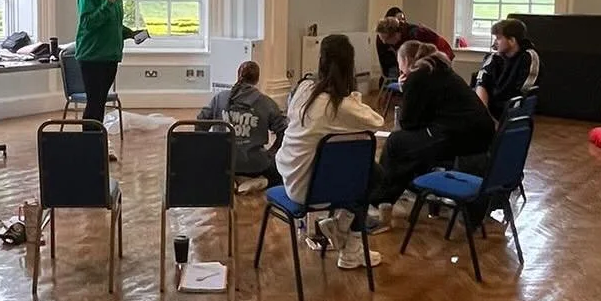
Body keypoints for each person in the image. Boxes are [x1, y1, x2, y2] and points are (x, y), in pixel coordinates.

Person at [277, 32, 385, 268]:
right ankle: (349, 240)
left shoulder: (304, 89)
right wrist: (353, 95)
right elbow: (376, 122)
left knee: (361, 170)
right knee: (373, 174)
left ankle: (342, 229)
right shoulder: (342, 106)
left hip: (292, 176)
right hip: (314, 190)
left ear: (321, 61)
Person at [372, 40, 494, 206]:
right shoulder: (441, 70)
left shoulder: (418, 76)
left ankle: (382, 197)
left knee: (396, 142)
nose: (400, 69)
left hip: (459, 138)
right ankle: (408, 187)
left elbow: (407, 122)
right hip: (478, 135)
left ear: (405, 60)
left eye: (399, 63)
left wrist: (405, 89)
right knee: (414, 143)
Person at [73, 0, 140, 155]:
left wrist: (131, 34)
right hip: (92, 56)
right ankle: (89, 147)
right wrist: (107, 4)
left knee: (100, 102)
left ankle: (97, 146)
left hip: (110, 55)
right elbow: (88, 23)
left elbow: (114, 24)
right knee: (94, 102)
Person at [197, 60, 287, 191]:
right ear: (257, 79)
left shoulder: (220, 98)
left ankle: (230, 181)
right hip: (254, 165)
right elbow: (283, 131)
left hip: (222, 164)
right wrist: (272, 152)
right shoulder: (267, 103)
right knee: (283, 171)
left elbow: (200, 123)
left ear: (238, 75)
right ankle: (261, 181)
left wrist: (210, 149)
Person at [475, 18, 540, 119]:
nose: (495, 43)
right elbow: (482, 83)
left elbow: (523, 93)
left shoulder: (529, 58)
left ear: (512, 40)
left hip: (511, 112)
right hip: (489, 111)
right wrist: (484, 114)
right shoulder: (494, 57)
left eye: (498, 38)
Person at [375, 8, 453, 82]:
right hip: (428, 53)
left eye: (386, 39)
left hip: (442, 51)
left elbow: (419, 60)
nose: (384, 43)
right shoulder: (399, 39)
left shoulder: (415, 35)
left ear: (395, 34)